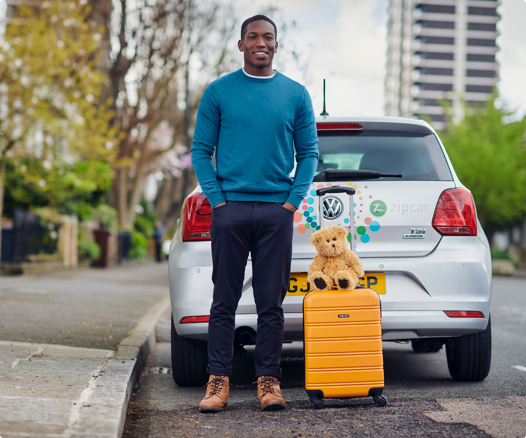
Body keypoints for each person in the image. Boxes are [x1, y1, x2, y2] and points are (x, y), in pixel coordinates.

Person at [191, 14, 318, 413]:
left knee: (270, 303)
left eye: (268, 37)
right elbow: (200, 150)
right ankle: (218, 381)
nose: (260, 42)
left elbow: (309, 153)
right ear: (241, 44)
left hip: (275, 212)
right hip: (230, 210)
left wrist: (291, 203)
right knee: (223, 301)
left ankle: (269, 382)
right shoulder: (218, 92)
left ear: (276, 45)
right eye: (252, 37)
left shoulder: (296, 95)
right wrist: (217, 200)